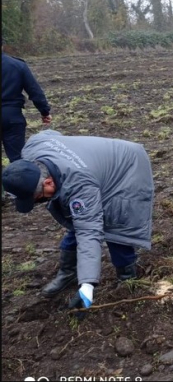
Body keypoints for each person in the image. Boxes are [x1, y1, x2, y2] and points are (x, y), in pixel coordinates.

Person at [2, 130, 154, 313]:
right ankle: (68, 272)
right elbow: (48, 133)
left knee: (115, 223)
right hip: (93, 166)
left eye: (37, 197)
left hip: (127, 167)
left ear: (48, 182)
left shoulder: (79, 185)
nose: (38, 202)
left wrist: (88, 284)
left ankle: (127, 278)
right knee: (78, 217)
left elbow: (89, 231)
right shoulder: (32, 151)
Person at [2, 40, 52, 163]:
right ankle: (18, 181)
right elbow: (34, 90)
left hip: (11, 115)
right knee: (17, 159)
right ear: (2, 46)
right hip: (11, 117)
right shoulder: (18, 65)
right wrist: (44, 111)